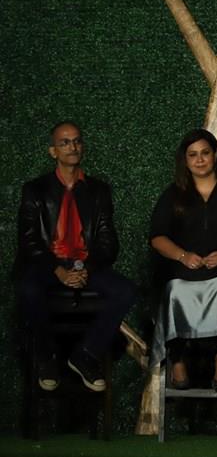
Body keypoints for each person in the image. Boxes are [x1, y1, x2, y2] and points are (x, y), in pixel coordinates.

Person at [15, 121, 136, 392]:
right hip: (48, 265)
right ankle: (47, 358)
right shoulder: (35, 190)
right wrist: (58, 270)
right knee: (28, 289)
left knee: (125, 290)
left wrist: (86, 269)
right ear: (53, 151)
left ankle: (85, 355)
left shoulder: (99, 190)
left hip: (84, 265)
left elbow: (108, 243)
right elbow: (29, 242)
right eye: (65, 142)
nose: (73, 147)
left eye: (77, 141)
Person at [149, 129, 217, 392]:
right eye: (193, 155)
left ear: (216, 155)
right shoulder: (173, 193)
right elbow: (157, 237)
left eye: (205, 153)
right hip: (183, 269)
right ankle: (177, 360)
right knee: (173, 290)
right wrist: (183, 256)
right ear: (185, 160)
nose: (199, 160)